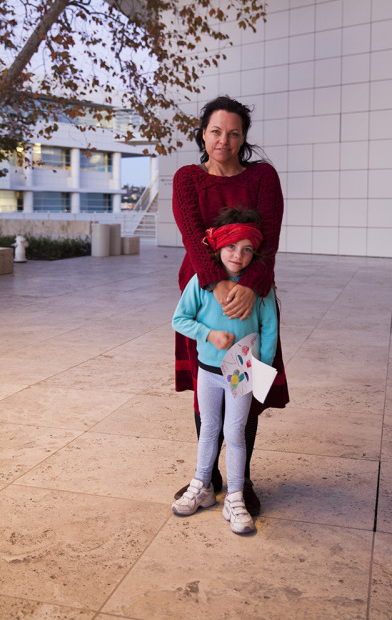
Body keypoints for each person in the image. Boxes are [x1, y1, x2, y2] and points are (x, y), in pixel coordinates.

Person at [172, 95, 289, 516]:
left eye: (234, 132)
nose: (224, 139)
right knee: (208, 388)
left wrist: (253, 286)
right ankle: (209, 478)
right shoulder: (187, 178)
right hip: (204, 296)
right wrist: (219, 286)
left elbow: (270, 239)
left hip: (251, 300)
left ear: (243, 138)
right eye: (216, 131)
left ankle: (242, 479)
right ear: (203, 133)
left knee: (242, 391)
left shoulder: (263, 177)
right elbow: (191, 236)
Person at [171, 207, 277, 534]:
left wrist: (262, 370)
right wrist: (209, 335)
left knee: (234, 432)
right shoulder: (200, 284)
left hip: (241, 370)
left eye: (247, 249)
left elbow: (270, 329)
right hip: (207, 369)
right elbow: (180, 319)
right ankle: (202, 485)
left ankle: (234, 497)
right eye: (231, 246)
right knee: (209, 428)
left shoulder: (259, 288)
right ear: (217, 247)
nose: (238, 255)